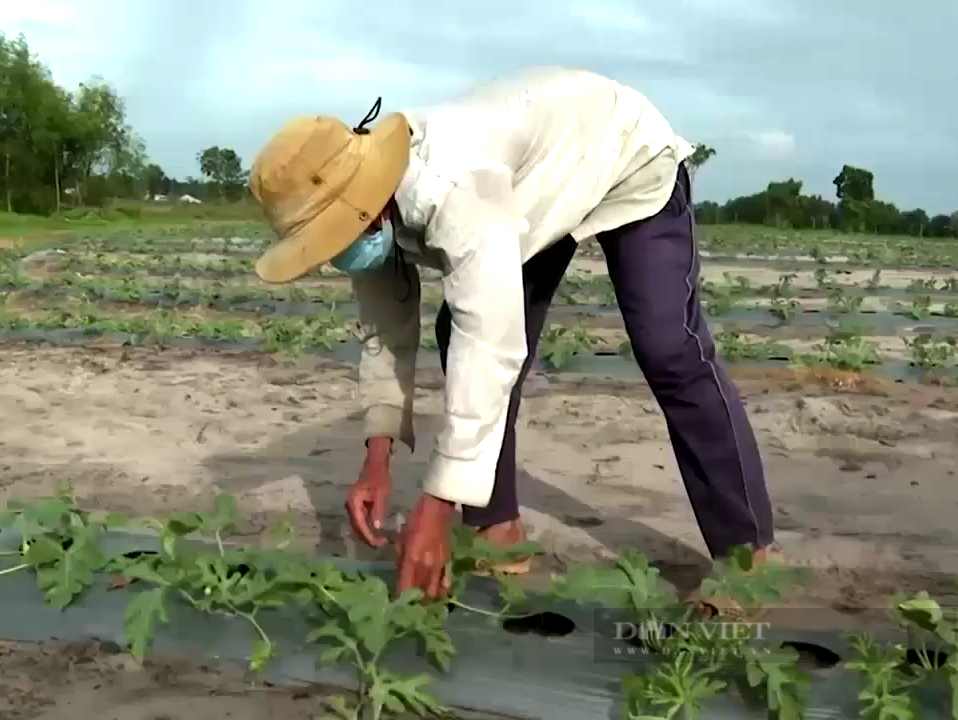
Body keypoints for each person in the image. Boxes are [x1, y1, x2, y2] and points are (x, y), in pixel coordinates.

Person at [247, 67, 775, 607]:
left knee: (670, 348)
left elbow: (493, 342)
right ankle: (496, 531)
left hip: (623, 153)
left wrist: (436, 504)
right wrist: (377, 459)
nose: (335, 248)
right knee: (458, 330)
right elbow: (386, 331)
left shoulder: (457, 190)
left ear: (365, 201)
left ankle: (746, 555)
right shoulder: (365, 214)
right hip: (534, 189)